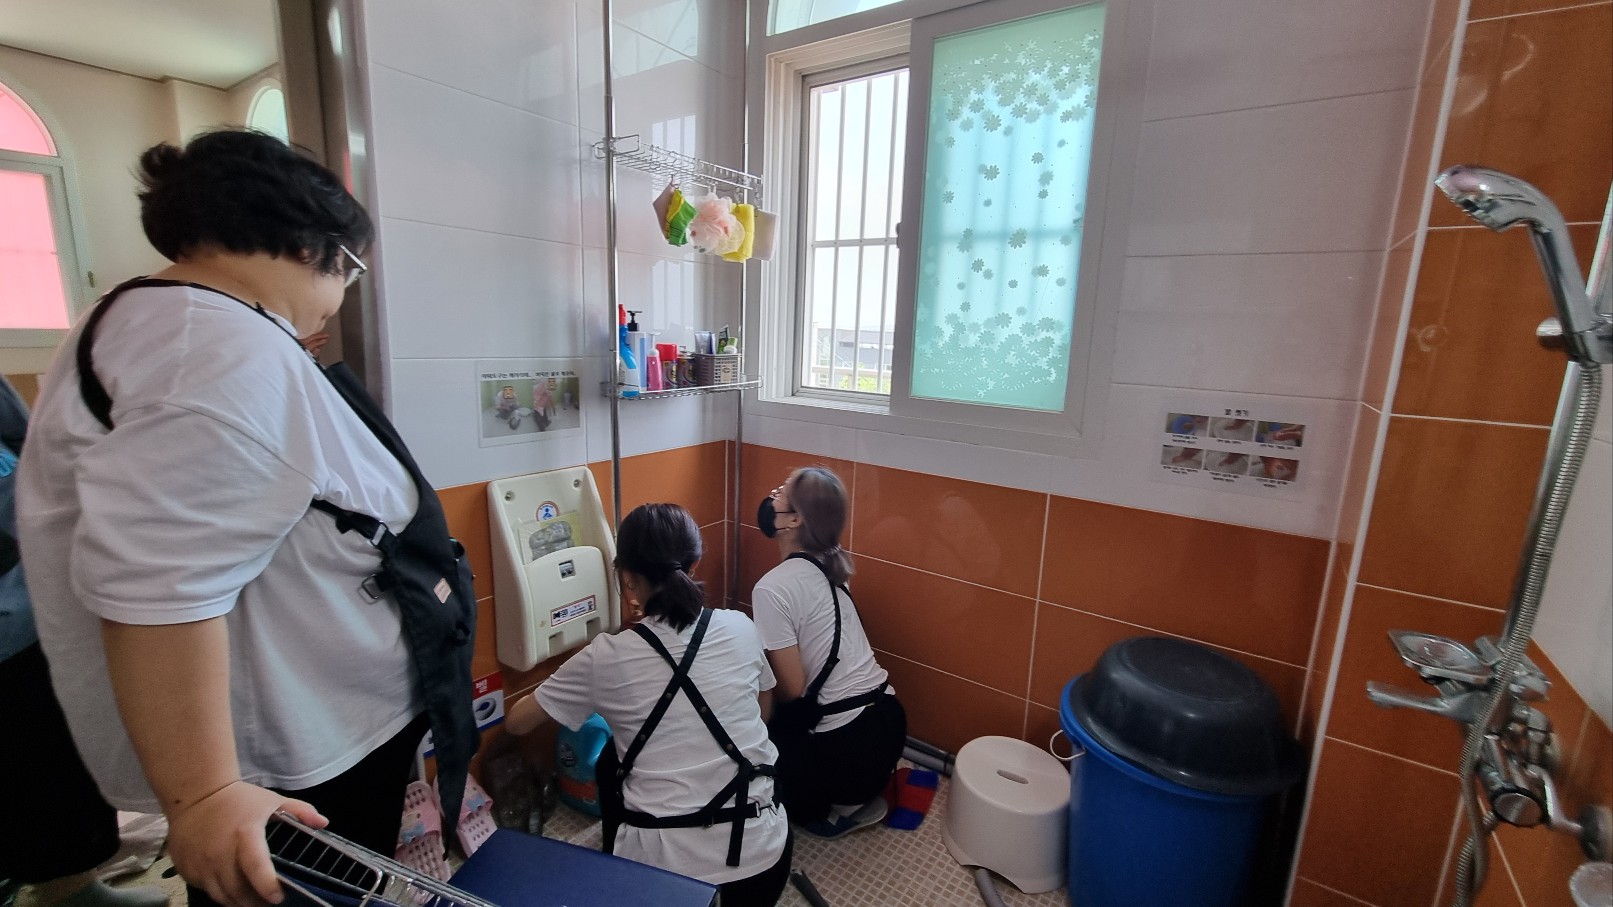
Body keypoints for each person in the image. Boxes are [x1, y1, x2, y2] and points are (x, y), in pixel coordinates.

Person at [16, 130, 478, 907]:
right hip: (291, 759)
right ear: (307, 243)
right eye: (349, 270)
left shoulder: (179, 324)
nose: (340, 293)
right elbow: (161, 589)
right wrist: (203, 795)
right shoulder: (213, 349)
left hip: (316, 731)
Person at [507, 504, 792, 907]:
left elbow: (517, 723)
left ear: (627, 578)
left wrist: (571, 684)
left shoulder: (604, 657)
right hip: (764, 864)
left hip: (665, 880)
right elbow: (762, 711)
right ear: (694, 565)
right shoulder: (740, 627)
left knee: (613, 757)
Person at [0, 378, 169, 907]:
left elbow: (29, 451)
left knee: (49, 761)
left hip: (24, 603)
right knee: (31, 759)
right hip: (11, 620)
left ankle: (68, 886)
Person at [752, 466, 906, 837]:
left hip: (849, 751)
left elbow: (792, 689)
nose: (771, 497)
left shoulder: (771, 589)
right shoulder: (834, 568)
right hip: (888, 724)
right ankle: (852, 797)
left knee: (759, 744)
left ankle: (833, 811)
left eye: (780, 492)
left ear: (794, 519)